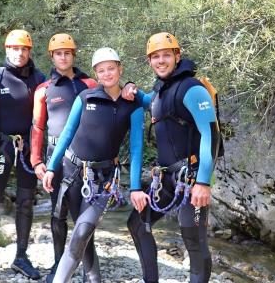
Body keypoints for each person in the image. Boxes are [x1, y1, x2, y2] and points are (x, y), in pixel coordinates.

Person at [122, 32, 221, 283]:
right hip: (166, 179)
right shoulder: (160, 92)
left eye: (166, 55)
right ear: (149, 61)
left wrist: (203, 182)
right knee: (137, 223)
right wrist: (130, 88)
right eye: (155, 57)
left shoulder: (192, 88)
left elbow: (211, 135)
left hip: (191, 178)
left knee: (194, 241)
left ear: (177, 56)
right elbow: (152, 104)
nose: (161, 61)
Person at [42, 47, 147, 283]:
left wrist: (136, 187)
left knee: (81, 231)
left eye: (111, 68)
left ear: (120, 69)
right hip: (72, 172)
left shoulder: (133, 105)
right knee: (83, 231)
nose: (107, 74)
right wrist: (51, 167)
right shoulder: (85, 97)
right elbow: (67, 134)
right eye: (102, 70)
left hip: (103, 179)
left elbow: (137, 149)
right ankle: (93, 278)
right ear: (96, 74)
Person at [0, 29, 46, 280]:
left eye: (24, 49)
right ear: (6, 49)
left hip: (28, 146)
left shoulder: (39, 78)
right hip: (1, 146)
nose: (20, 53)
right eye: (15, 48)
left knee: (26, 201)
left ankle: (22, 257)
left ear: (29, 51)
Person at [30, 33, 97, 275]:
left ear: (73, 55)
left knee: (84, 214)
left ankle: (87, 268)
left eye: (67, 52)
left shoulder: (89, 85)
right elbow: (37, 126)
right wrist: (37, 161)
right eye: (58, 53)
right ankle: (59, 264)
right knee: (57, 212)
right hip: (55, 157)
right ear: (52, 56)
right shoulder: (44, 90)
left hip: (84, 157)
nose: (63, 57)